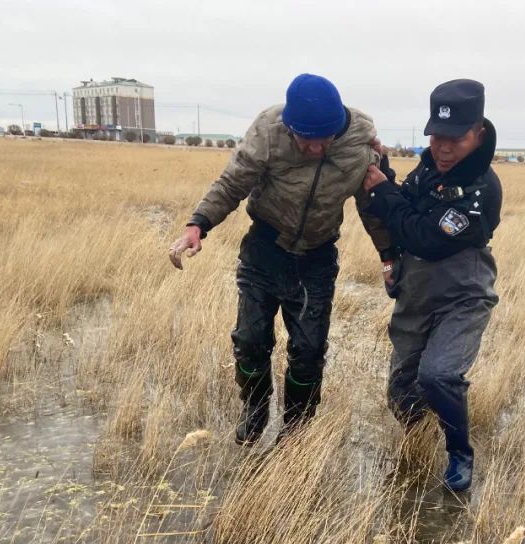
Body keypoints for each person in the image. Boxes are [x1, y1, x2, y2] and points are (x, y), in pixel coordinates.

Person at [169, 74, 395, 445]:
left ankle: (296, 427)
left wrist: (388, 258)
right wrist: (198, 224)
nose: (311, 148)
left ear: (336, 129)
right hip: (265, 248)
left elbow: (372, 208)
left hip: (317, 257)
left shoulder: (360, 146)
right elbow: (232, 183)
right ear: (289, 128)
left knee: (308, 350)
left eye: (320, 140)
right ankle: (255, 407)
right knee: (250, 339)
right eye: (303, 139)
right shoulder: (268, 131)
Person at [362, 79, 501, 492]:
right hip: (417, 294)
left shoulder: (481, 191)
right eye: (436, 136)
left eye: (454, 139)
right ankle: (419, 433)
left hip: (462, 296)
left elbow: (422, 236)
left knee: (438, 374)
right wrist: (385, 172)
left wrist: (383, 191)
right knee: (402, 394)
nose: (442, 147)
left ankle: (459, 452)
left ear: (477, 133)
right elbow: (404, 205)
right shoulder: (429, 168)